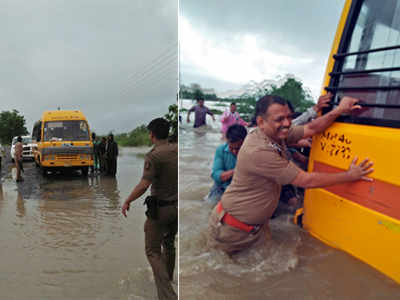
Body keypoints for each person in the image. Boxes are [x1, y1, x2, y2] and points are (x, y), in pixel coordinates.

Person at [208, 94, 374, 255]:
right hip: (232, 231)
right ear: (260, 122)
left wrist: (339, 110)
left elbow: (311, 128)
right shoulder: (258, 150)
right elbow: (305, 180)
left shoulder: (273, 135)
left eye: (289, 117)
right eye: (279, 119)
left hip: (255, 228)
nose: (287, 123)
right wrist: (350, 175)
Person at [122, 118, 177, 300]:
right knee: (169, 244)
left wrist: (128, 200)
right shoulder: (177, 149)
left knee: (153, 251)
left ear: (152, 135)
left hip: (160, 210)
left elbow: (144, 185)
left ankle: (167, 295)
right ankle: (168, 278)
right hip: (176, 208)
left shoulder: (154, 156)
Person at [204, 124, 247, 206]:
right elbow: (216, 175)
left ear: (245, 142)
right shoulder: (221, 150)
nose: (234, 151)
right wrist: (236, 171)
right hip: (221, 187)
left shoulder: (252, 152)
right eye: (231, 148)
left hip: (241, 189)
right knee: (209, 205)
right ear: (227, 141)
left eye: (238, 148)